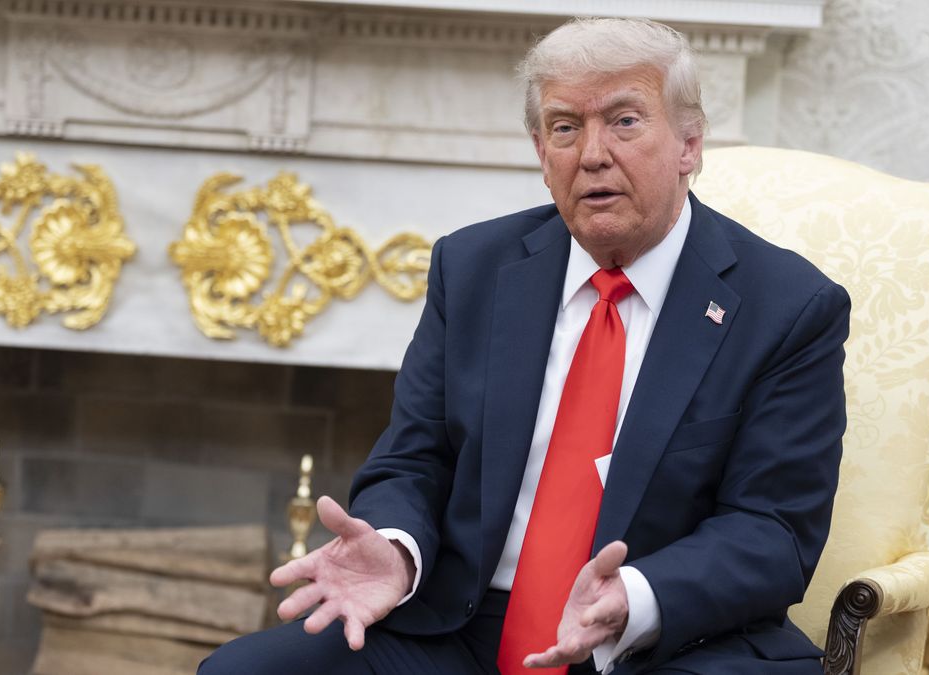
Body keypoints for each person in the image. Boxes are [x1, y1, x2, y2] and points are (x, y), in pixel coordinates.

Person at [200, 16, 850, 675]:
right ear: (542, 152)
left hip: (661, 640)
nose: (591, 153)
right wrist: (397, 550)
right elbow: (414, 459)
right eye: (566, 127)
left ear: (689, 143)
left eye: (624, 120)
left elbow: (772, 531)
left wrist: (635, 595)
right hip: (463, 624)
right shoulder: (475, 267)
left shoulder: (787, 307)